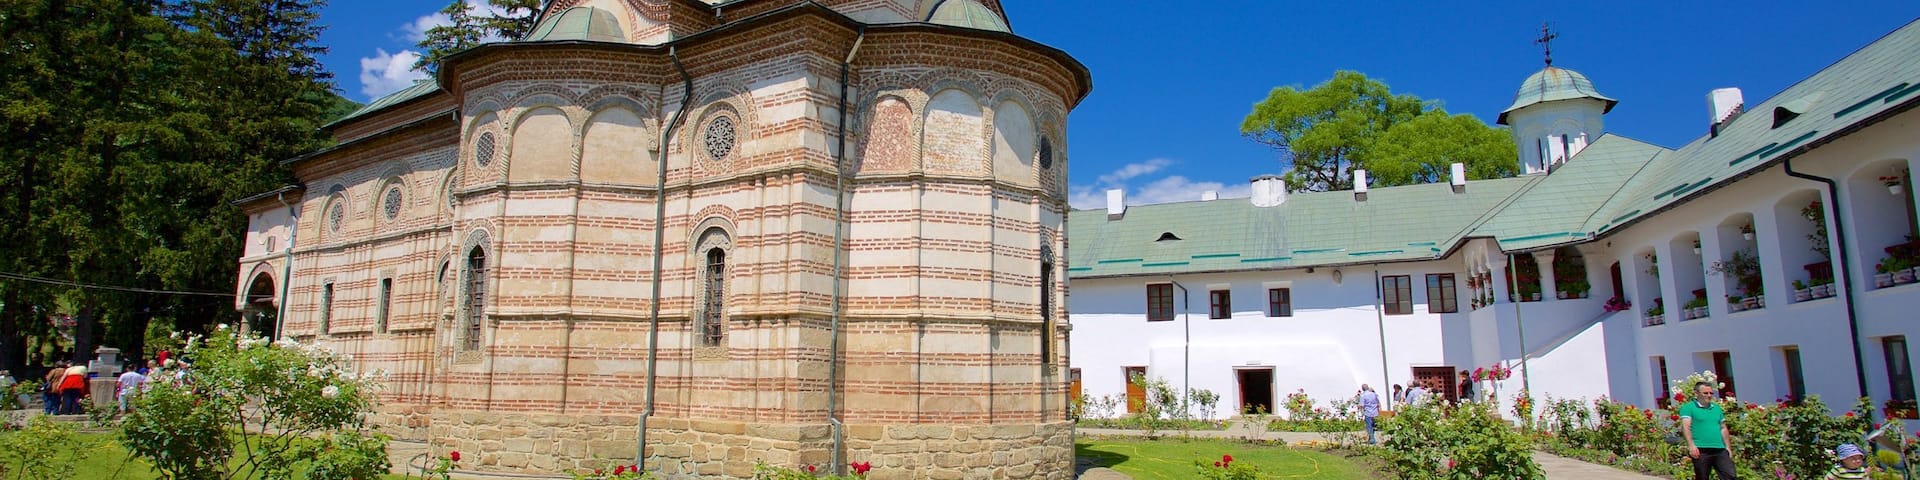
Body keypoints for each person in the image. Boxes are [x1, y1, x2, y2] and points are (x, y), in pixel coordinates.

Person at [1679, 381, 1735, 479]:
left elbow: (1723, 428)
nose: (1709, 395)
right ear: (1696, 393)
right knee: (1702, 477)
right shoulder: (1688, 408)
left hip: (1719, 449)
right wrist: (1691, 446)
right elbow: (1686, 427)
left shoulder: (1717, 409)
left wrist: (1728, 448)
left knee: (1730, 476)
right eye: (1705, 393)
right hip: (1701, 450)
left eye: (1711, 393)